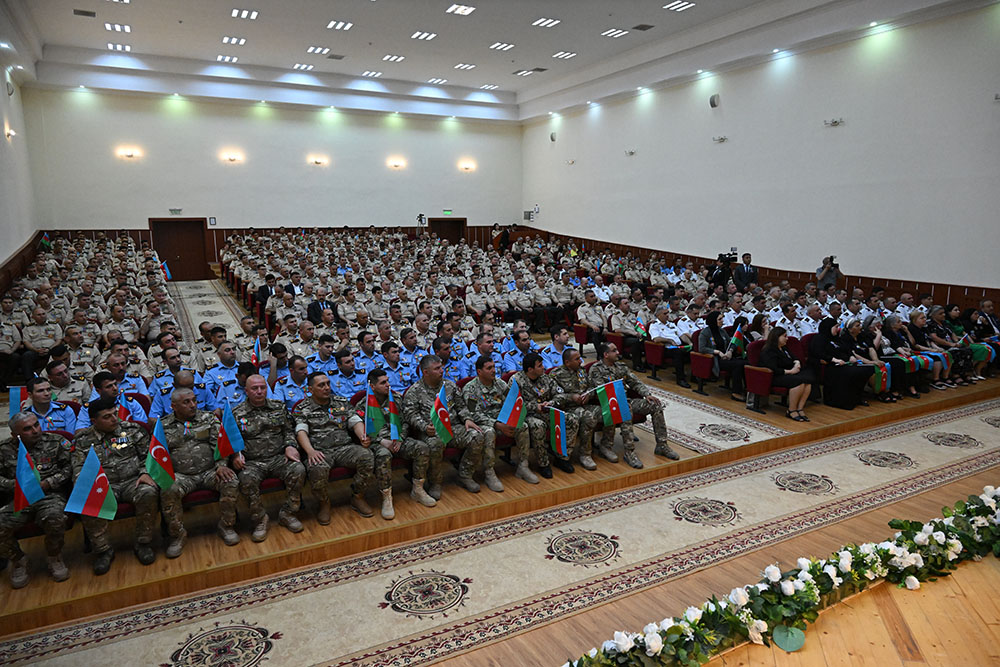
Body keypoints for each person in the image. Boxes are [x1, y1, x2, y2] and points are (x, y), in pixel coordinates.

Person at [73, 397, 159, 573]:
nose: (114, 419)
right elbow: (78, 469)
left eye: (115, 414)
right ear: (93, 421)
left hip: (132, 480)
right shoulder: (83, 439)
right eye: (107, 417)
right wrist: (88, 484)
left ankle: (143, 542)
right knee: (88, 501)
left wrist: (144, 472)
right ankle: (103, 551)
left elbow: (148, 456)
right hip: (103, 485)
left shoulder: (132, 430)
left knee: (148, 492)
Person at [158, 389, 240, 557]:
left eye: (194, 400)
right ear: (173, 406)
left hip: (210, 471)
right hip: (181, 476)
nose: (193, 405)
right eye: (186, 402)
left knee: (230, 481)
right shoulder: (163, 426)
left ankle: (227, 526)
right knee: (168, 489)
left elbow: (220, 443)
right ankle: (177, 535)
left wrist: (222, 465)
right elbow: (157, 454)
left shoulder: (208, 418)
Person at [0, 412, 72, 588]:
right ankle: (19, 560)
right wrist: (17, 486)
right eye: (27, 429)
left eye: (36, 425)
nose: (35, 430)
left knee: (55, 518)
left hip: (49, 494)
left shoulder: (55, 442)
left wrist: (49, 482)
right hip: (19, 497)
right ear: (14, 435)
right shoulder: (4, 449)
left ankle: (54, 556)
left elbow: (69, 468)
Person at [231, 375, 306, 542]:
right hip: (252, 462)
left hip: (279, 457)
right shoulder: (236, 413)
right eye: (254, 388)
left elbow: (288, 430)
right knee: (246, 479)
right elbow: (232, 441)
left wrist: (290, 446)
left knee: (298, 469)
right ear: (246, 391)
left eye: (262, 388)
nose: (259, 391)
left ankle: (288, 513)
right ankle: (260, 519)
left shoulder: (278, 407)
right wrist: (236, 455)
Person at [293, 371, 374, 520]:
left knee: (366, 456)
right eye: (321, 385)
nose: (326, 388)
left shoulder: (341, 402)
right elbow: (300, 431)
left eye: (328, 384)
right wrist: (310, 451)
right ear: (310, 390)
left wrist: (362, 436)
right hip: (319, 451)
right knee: (317, 468)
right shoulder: (302, 408)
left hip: (344, 447)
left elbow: (355, 421)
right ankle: (324, 502)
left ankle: (358, 496)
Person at [402, 354, 485, 498]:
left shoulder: (450, 385)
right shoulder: (414, 391)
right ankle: (435, 483)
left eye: (441, 367)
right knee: (435, 443)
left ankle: (465, 475)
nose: (442, 370)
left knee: (477, 436)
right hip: (431, 431)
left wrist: (467, 419)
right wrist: (424, 427)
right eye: (437, 368)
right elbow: (410, 415)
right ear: (425, 372)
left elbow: (461, 406)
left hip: (453, 427)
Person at [357, 368, 437, 512]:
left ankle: (418, 490)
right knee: (383, 455)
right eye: (383, 383)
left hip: (398, 439)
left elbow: (405, 422)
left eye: (388, 381)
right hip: (379, 443)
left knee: (422, 448)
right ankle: (386, 497)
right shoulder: (364, 405)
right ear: (372, 386)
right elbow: (363, 431)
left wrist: (400, 438)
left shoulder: (396, 399)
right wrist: (382, 441)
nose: (388, 385)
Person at [589, 343, 676, 466]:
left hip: (627, 400)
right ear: (606, 355)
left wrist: (646, 394)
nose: (618, 352)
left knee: (656, 405)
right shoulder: (596, 369)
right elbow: (601, 391)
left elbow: (635, 382)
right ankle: (629, 452)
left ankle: (662, 445)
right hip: (609, 404)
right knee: (625, 408)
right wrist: (620, 401)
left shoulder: (621, 367)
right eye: (614, 351)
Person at [461, 356, 537, 488]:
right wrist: (497, 424)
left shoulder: (500, 383)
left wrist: (511, 420)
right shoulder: (470, 388)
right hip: (484, 423)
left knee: (522, 425)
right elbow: (473, 413)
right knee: (489, 432)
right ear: (479, 371)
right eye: (489, 368)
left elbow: (513, 402)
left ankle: (523, 466)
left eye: (494, 367)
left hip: (503, 420)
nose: (493, 371)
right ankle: (489, 472)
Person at [549, 348, 601, 470]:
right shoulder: (556, 375)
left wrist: (589, 394)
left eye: (580, 358)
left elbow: (592, 387)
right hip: (567, 408)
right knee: (588, 417)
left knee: (607, 410)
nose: (580, 361)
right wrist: (571, 397)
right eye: (577, 359)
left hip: (584, 404)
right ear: (567, 362)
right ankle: (584, 454)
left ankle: (605, 447)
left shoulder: (581, 371)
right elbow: (553, 396)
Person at [807, 319, 872, 410]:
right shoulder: (819, 339)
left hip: (844, 363)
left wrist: (851, 356)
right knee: (852, 372)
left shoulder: (837, 338)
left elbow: (847, 349)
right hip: (831, 365)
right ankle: (843, 401)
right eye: (836, 327)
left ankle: (856, 398)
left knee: (864, 370)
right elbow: (819, 353)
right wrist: (834, 360)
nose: (837, 329)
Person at [759, 327, 815, 422]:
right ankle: (791, 410)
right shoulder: (769, 351)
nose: (787, 338)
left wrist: (797, 363)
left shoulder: (783, 348)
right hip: (775, 376)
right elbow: (773, 369)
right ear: (777, 337)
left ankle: (799, 408)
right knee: (798, 381)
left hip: (788, 372)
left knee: (807, 380)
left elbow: (794, 357)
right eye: (784, 336)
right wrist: (791, 371)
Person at [697, 311, 746, 401]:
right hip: (715, 360)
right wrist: (717, 352)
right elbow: (702, 348)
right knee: (738, 365)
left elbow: (731, 343)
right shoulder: (705, 333)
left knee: (745, 363)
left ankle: (746, 389)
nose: (722, 321)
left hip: (726, 357)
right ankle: (736, 392)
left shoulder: (722, 331)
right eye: (720, 319)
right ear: (713, 321)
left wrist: (730, 351)